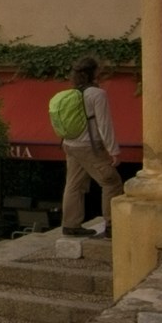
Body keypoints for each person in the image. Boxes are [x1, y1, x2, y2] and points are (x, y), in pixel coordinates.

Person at [54, 55, 124, 236]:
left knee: (73, 184)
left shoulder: (74, 92)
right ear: (94, 72)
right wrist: (113, 150)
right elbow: (104, 124)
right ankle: (112, 226)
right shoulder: (96, 94)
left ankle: (70, 224)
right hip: (88, 146)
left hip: (70, 144)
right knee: (111, 182)